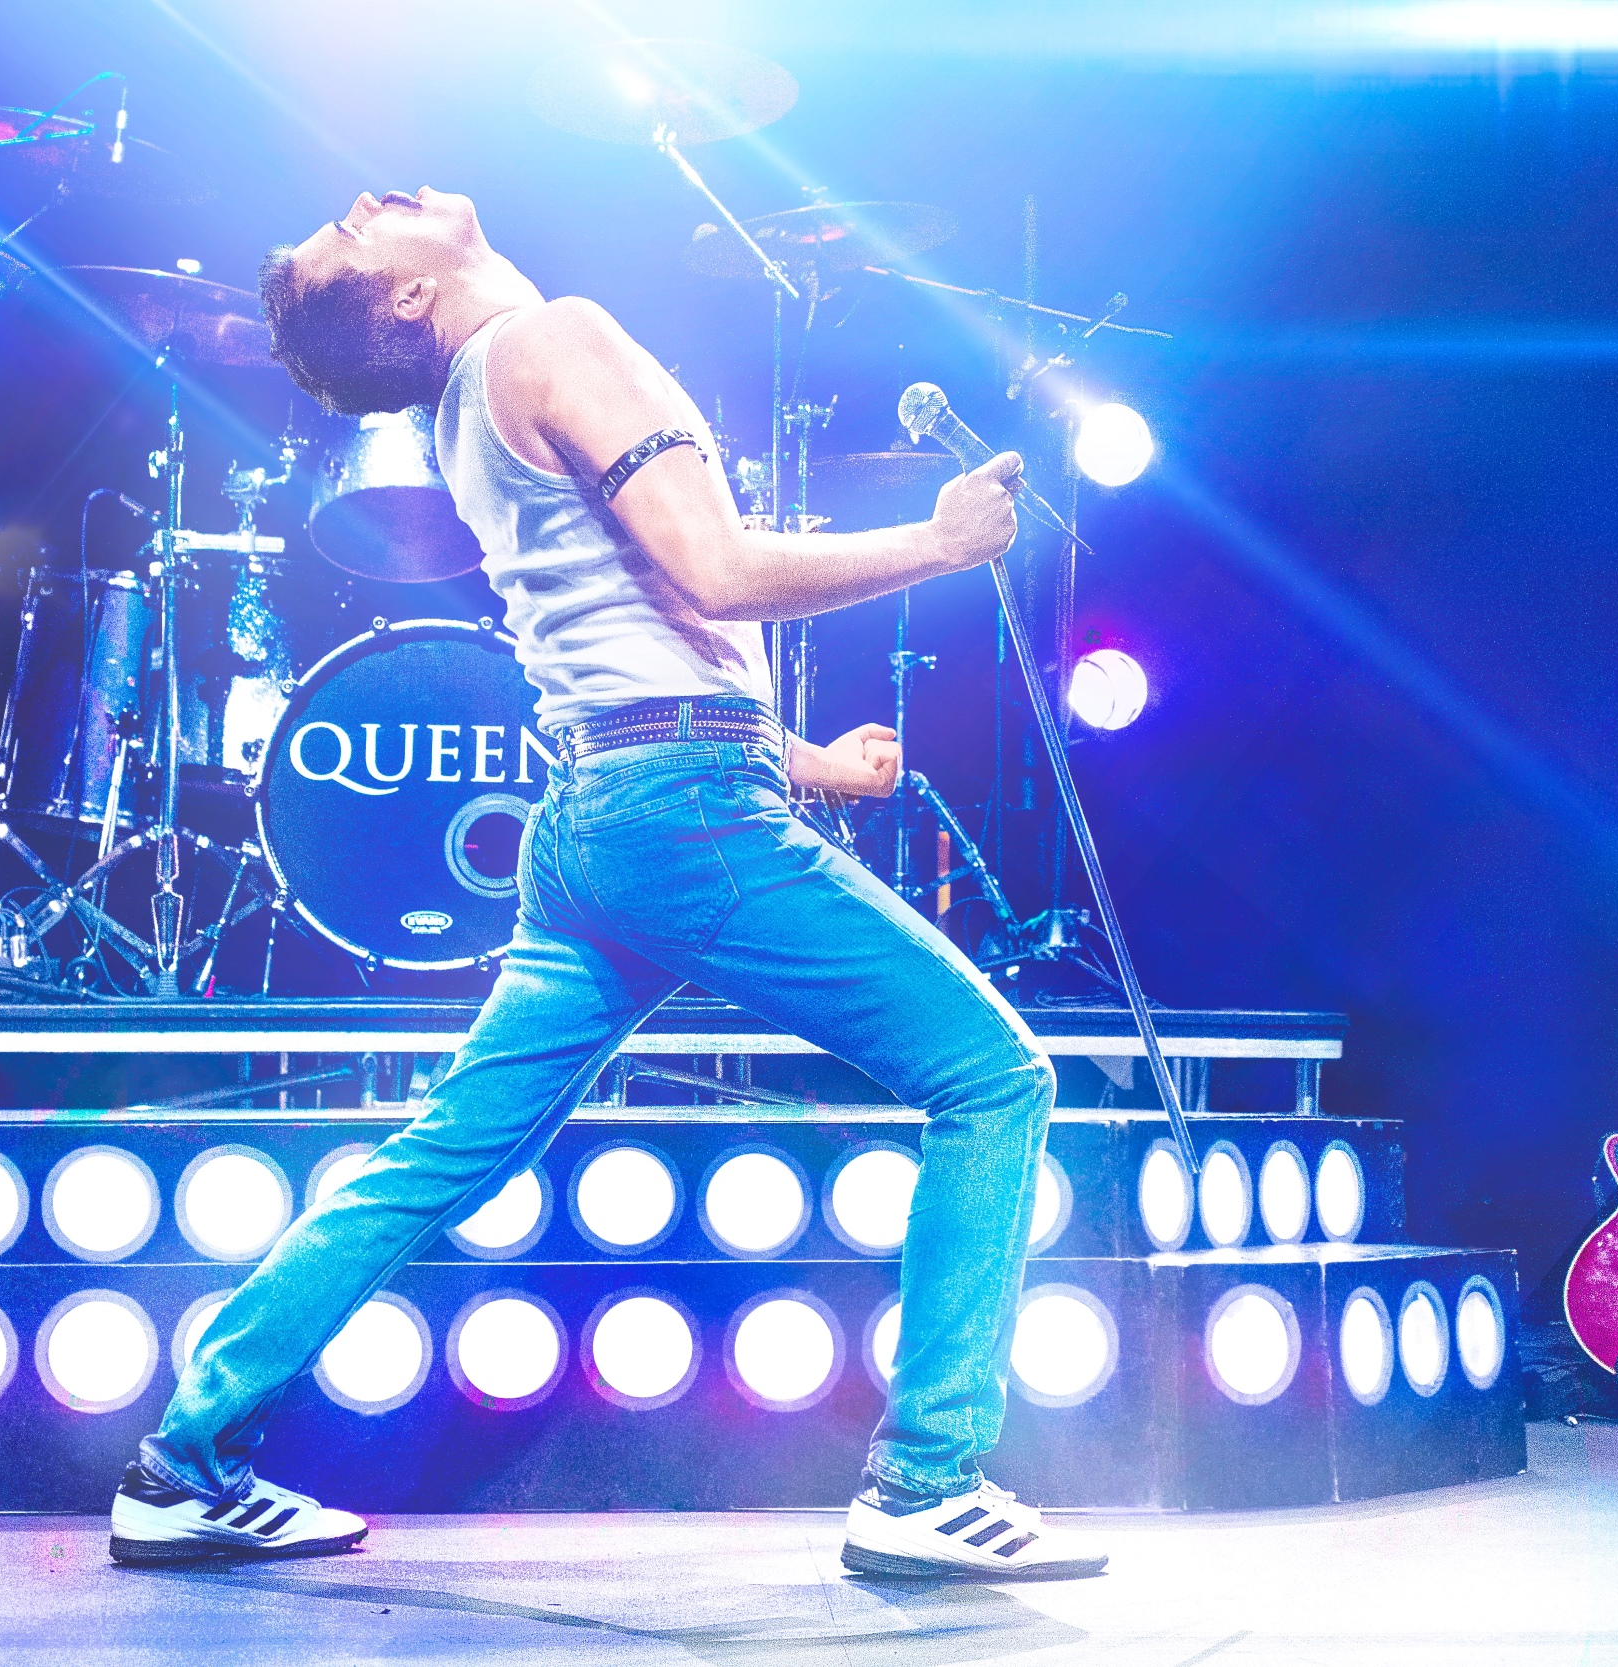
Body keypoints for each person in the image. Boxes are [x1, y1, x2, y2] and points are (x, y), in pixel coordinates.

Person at [108, 186, 1103, 1583]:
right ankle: (927, 1482)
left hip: (600, 818)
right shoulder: (545, 339)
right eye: (352, 229)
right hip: (673, 815)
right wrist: (937, 547)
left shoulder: (470, 399)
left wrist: (800, 760)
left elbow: (621, 622)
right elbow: (716, 570)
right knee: (994, 1077)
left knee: (439, 1160)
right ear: (403, 296)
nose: (367, 199)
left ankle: (181, 1467)